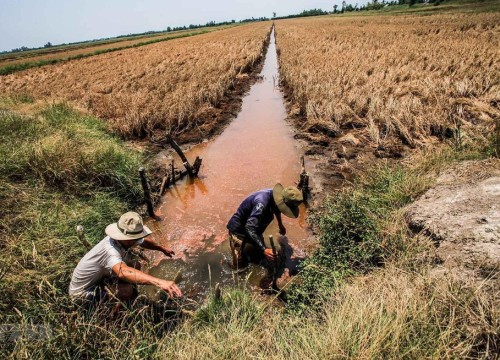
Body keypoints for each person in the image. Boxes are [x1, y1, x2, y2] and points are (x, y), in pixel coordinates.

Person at [69, 211, 182, 303]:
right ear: (126, 239)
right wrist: (159, 282)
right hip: (82, 294)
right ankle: (114, 316)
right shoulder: (110, 250)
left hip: (98, 279)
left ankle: (130, 297)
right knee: (126, 291)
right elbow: (123, 272)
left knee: (136, 265)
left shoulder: (124, 239)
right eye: (136, 238)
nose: (138, 240)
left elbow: (144, 242)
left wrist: (162, 249)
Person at [226, 183, 303, 268]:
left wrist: (280, 224)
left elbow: (277, 209)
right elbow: (250, 228)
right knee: (239, 264)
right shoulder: (262, 202)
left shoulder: (277, 198)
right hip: (239, 229)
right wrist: (264, 249)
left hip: (255, 227)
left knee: (259, 255)